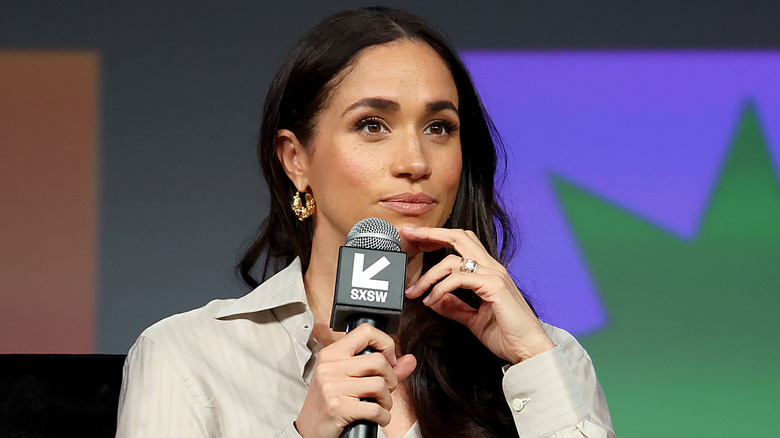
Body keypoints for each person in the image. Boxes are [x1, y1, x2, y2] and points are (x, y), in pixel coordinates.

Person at [116, 7, 614, 438]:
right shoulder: (188, 357)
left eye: (439, 127)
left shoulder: (550, 358)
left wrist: (532, 360)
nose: (416, 161)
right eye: (372, 125)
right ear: (296, 160)